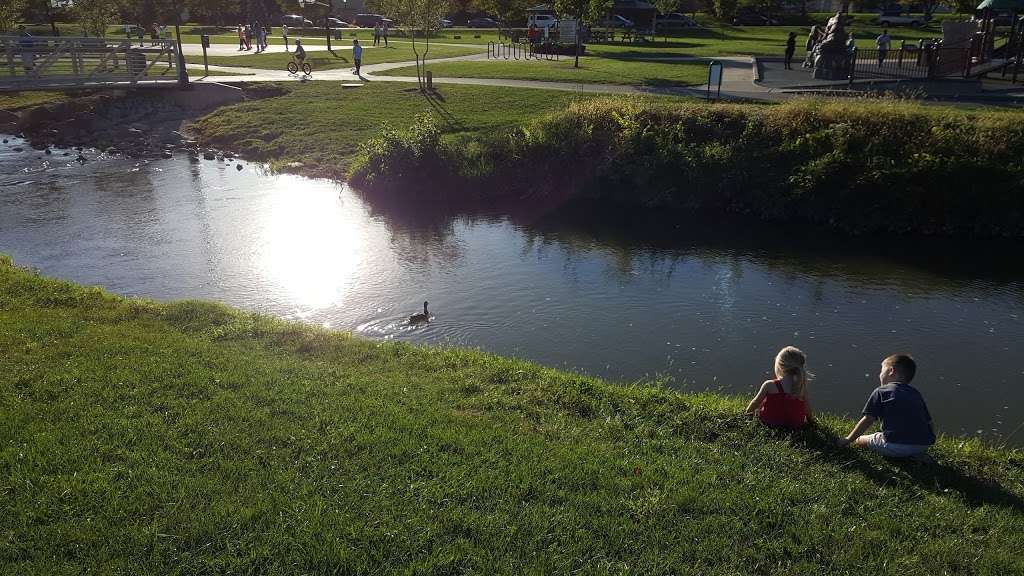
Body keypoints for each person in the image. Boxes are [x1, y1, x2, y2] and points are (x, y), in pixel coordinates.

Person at [837, 354, 936, 458]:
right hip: (923, 445)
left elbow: (868, 419)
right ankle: (916, 455)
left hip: (894, 446)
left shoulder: (882, 391)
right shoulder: (915, 393)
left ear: (891, 371)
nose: (879, 375)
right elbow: (929, 422)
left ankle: (903, 454)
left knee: (859, 440)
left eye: (881, 371)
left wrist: (848, 439)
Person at [744, 346, 813, 428]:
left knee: (759, 411)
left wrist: (747, 414)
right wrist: (811, 423)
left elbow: (755, 402)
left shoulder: (769, 385)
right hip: (794, 426)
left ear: (780, 366)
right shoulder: (800, 388)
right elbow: (808, 411)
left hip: (769, 423)